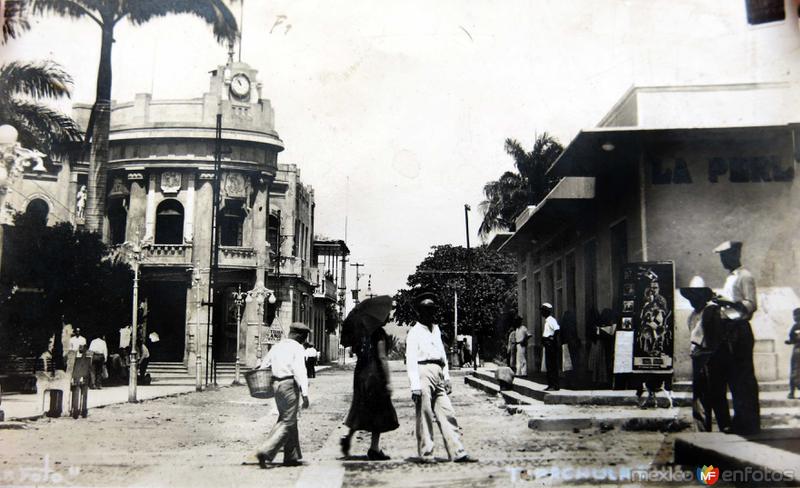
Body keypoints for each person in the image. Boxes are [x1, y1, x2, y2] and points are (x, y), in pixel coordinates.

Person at [406, 290, 477, 464]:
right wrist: (414, 385)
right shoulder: (414, 332)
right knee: (425, 414)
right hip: (423, 371)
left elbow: (443, 355)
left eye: (432, 309)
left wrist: (447, 377)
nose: (430, 313)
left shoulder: (436, 329)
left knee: (448, 412)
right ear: (419, 311)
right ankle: (427, 453)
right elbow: (411, 360)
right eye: (426, 310)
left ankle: (458, 452)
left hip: (438, 371)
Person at [714, 240, 760, 435]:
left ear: (735, 255)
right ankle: (740, 420)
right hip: (729, 330)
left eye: (725, 257)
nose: (723, 261)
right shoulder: (730, 278)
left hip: (740, 329)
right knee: (734, 377)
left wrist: (728, 302)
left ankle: (750, 422)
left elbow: (750, 305)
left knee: (744, 377)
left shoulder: (745, 276)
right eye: (721, 258)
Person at [340, 320, 399, 460]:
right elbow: (382, 357)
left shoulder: (361, 333)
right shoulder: (379, 333)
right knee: (379, 410)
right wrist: (388, 381)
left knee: (360, 406)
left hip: (360, 373)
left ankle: (348, 437)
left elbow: (355, 351)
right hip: (374, 375)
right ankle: (374, 448)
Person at [255, 322, 311, 468]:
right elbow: (300, 371)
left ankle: (291, 456)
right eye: (304, 336)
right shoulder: (297, 348)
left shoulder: (277, 346)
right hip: (288, 385)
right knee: (288, 422)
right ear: (299, 335)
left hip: (276, 385)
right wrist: (305, 394)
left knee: (286, 418)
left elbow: (264, 365)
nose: (305, 340)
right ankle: (266, 451)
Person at [681, 278, 730, 431]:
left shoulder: (712, 311)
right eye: (691, 297)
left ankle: (725, 426)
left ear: (703, 296)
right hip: (698, 357)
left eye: (696, 296)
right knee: (700, 395)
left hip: (712, 356)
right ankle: (702, 429)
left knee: (717, 393)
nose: (693, 300)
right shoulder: (692, 316)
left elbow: (715, 336)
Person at [540, 303, 560, 391]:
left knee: (551, 365)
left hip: (550, 345)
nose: (542, 313)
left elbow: (557, 329)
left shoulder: (551, 320)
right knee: (549, 365)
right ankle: (551, 384)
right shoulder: (547, 320)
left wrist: (552, 339)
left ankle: (553, 385)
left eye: (543, 311)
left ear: (547, 311)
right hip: (548, 344)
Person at [786, 308, 800, 400]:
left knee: (794, 371)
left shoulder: (795, 326)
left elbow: (791, 338)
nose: (794, 317)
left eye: (795, 315)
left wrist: (790, 341)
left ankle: (791, 392)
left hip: (797, 351)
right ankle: (791, 392)